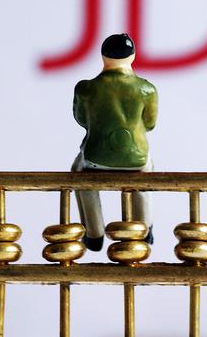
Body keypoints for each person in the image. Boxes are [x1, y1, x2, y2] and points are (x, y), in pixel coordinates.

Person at [72, 33, 158, 251]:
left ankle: (94, 233)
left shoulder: (85, 88)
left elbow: (81, 119)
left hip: (96, 158)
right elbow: (150, 124)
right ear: (133, 56)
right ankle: (145, 228)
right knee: (146, 174)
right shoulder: (147, 89)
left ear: (103, 56)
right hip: (136, 158)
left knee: (79, 176)